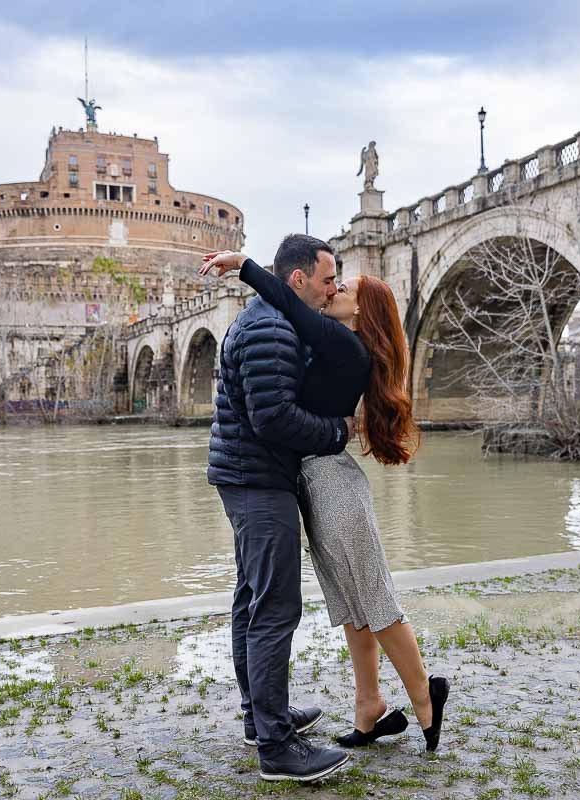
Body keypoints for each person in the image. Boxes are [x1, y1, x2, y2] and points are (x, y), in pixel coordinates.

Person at [201, 241, 450, 753]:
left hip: (331, 481)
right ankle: (369, 706)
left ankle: (426, 699)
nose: (335, 289)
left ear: (360, 309)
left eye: (345, 286)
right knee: (348, 601)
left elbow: (290, 302)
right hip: (314, 476)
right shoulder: (336, 340)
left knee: (372, 597)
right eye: (332, 281)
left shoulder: (343, 345)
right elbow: (292, 309)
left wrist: (245, 267)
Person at [206, 234, 354, 783]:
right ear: (298, 279)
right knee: (274, 609)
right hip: (258, 480)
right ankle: (276, 747)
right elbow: (275, 418)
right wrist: (337, 431)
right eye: (325, 280)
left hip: (246, 476)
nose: (330, 290)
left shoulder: (264, 316)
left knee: (251, 600)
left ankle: (260, 717)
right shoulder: (270, 327)